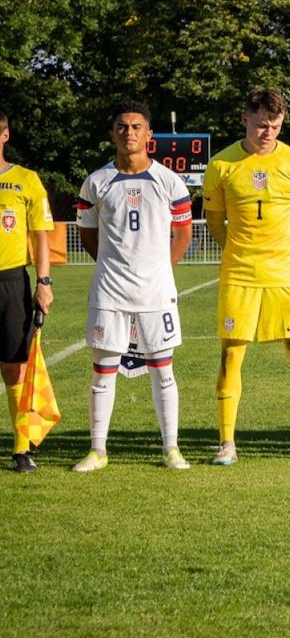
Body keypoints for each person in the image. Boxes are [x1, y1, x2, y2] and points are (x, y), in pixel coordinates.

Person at [203, 87, 290, 464]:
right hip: (239, 272)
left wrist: (285, 251)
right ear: (245, 120)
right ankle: (227, 443)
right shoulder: (222, 165)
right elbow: (214, 220)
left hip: (285, 274)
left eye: (274, 126)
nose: (267, 133)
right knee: (231, 355)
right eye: (261, 125)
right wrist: (239, 251)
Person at [72, 101, 193, 472]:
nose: (129, 132)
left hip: (156, 291)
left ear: (149, 135)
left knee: (162, 368)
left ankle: (171, 448)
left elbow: (183, 235)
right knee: (103, 368)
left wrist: (157, 269)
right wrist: (115, 267)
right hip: (110, 291)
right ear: (113, 134)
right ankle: (97, 450)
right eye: (122, 126)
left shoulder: (170, 181)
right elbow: (88, 235)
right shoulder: (96, 182)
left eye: (136, 126)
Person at [0, 110, 54, 473]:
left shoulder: (26, 180)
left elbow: (40, 235)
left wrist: (44, 282)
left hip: (11, 281)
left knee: (15, 367)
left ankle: (22, 450)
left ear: (5, 135)